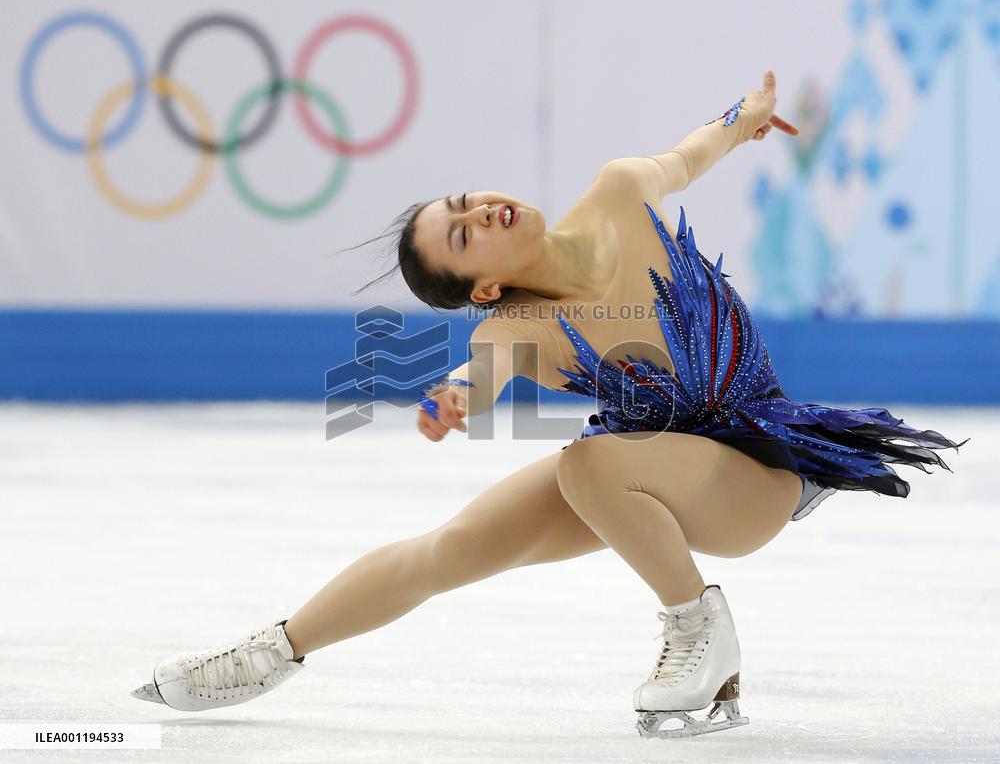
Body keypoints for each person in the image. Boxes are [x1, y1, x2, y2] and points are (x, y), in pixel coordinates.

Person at [132, 70, 965, 738]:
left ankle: (695, 628)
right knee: (451, 548)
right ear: (485, 286)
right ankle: (271, 653)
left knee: (588, 464)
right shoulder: (518, 327)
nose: (480, 212)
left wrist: (742, 117)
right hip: (642, 471)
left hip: (758, 471)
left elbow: (689, 154)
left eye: (464, 205)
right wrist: (457, 396)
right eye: (465, 236)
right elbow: (483, 371)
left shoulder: (619, 191)